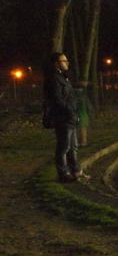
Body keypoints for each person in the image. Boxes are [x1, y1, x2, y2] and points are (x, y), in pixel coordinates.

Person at [43, 52, 90, 183]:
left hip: (70, 117)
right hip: (63, 118)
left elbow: (69, 97)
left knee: (73, 146)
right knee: (63, 147)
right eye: (64, 61)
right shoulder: (53, 79)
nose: (67, 63)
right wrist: (70, 112)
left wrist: (74, 113)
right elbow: (57, 100)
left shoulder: (64, 77)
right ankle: (63, 174)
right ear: (56, 63)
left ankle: (76, 171)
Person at [75, 81, 93, 146]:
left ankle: (77, 142)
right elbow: (89, 106)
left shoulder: (73, 95)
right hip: (83, 114)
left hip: (75, 115)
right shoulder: (83, 96)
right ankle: (83, 142)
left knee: (77, 129)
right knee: (83, 129)